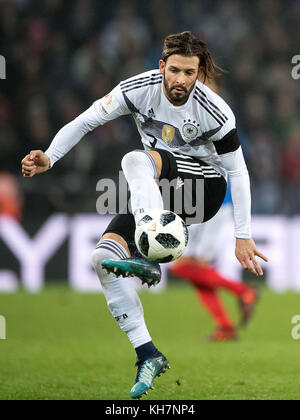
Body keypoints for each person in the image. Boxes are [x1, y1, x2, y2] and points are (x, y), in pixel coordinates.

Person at [21, 31, 268, 399]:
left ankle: (146, 246)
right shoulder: (137, 89)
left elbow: (238, 172)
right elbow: (86, 120)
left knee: (136, 159)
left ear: (199, 73)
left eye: (190, 73)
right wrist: (50, 157)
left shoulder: (216, 111)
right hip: (157, 187)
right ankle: (147, 353)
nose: (181, 80)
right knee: (102, 258)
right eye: (175, 71)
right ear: (162, 67)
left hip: (205, 190)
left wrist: (242, 234)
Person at [171, 186, 258, 342]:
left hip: (210, 202)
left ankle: (243, 290)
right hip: (202, 202)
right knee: (197, 269)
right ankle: (226, 327)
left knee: (182, 266)